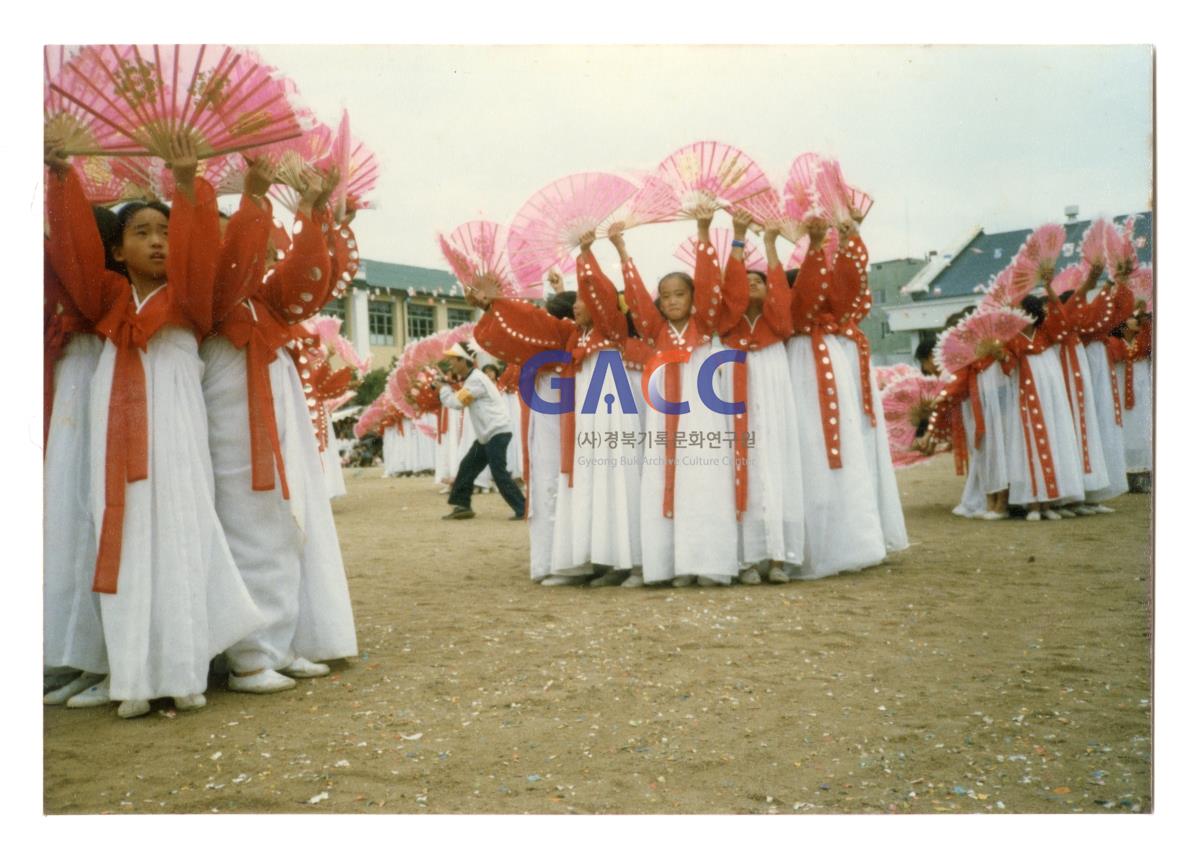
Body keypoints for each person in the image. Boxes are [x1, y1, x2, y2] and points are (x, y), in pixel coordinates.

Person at [45, 134, 263, 718]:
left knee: (183, 529)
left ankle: (184, 672)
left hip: (175, 425)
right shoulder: (106, 300)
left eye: (165, 232)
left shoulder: (189, 301)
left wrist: (187, 185)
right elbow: (71, 251)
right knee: (120, 532)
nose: (158, 242)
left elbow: (201, 255)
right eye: (141, 232)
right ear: (115, 251)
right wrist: (61, 177)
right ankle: (133, 678)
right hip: (114, 427)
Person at [200, 161, 358, 695]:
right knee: (250, 519)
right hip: (234, 405)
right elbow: (230, 273)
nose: (258, 256)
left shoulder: (263, 305)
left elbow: (307, 280)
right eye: (246, 244)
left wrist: (313, 214)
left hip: (270, 407)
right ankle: (250, 654)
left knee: (286, 522)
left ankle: (278, 641)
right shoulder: (213, 301)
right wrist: (253, 196)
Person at [617, 208, 741, 587]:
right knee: (663, 476)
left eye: (679, 294)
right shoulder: (656, 331)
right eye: (665, 296)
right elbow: (636, 297)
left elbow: (708, 281)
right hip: (664, 410)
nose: (671, 301)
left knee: (703, 476)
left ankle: (706, 562)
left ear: (692, 297)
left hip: (701, 410)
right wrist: (622, 250)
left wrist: (703, 230)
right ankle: (673, 565)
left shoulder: (704, 325)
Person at [778, 219, 886, 578]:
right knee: (809, 452)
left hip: (811, 365)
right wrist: (819, 245)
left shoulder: (823, 329)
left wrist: (845, 241)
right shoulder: (796, 324)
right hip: (802, 366)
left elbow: (850, 283)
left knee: (825, 452)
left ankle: (837, 543)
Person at [721, 214, 803, 585]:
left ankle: (779, 557)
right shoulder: (729, 327)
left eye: (760, 281)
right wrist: (738, 238)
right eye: (747, 280)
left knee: (775, 460)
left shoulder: (775, 328)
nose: (752, 285)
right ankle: (747, 558)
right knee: (744, 462)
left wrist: (769, 245)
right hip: (737, 377)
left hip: (769, 377)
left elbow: (784, 307)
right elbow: (729, 291)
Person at [1001, 295, 1086, 521]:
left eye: (1019, 310)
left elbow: (1062, 320)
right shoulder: (1010, 339)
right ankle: (1034, 504)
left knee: (1055, 439)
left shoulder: (1046, 332)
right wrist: (1000, 354)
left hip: (1051, 397)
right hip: (1027, 397)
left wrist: (1049, 287)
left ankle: (1052, 501)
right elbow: (1007, 366)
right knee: (1030, 442)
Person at [439, 342, 527, 520]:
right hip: (489, 434)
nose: (450, 365)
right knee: (467, 467)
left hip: (496, 432)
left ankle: (523, 508)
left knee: (499, 473)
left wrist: (443, 390)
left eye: (452, 361)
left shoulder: (476, 380)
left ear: (463, 361)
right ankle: (462, 505)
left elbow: (456, 403)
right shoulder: (473, 379)